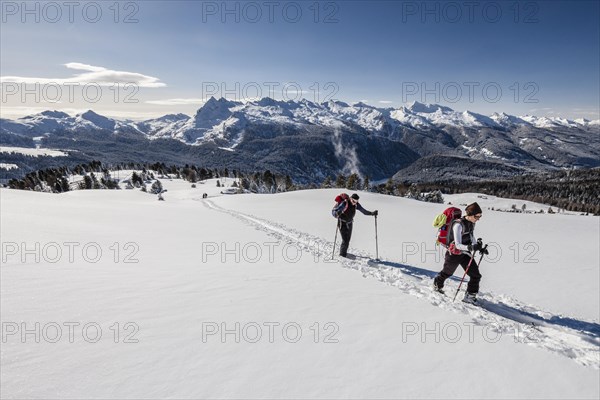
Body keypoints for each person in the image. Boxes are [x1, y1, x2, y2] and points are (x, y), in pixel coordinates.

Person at [433, 202, 488, 303]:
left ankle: (470, 297)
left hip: (465, 253)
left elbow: (471, 236)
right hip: (454, 254)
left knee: (476, 275)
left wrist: (479, 248)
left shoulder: (471, 223)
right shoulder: (458, 225)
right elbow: (457, 245)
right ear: (470, 214)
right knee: (447, 273)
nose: (478, 219)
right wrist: (471, 247)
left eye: (480, 216)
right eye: (477, 216)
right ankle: (437, 283)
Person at [332, 193, 378, 258]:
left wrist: (372, 213)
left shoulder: (356, 205)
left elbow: (363, 211)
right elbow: (334, 212)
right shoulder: (345, 203)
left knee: (348, 240)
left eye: (356, 201)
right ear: (350, 198)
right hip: (342, 223)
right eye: (354, 201)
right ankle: (342, 255)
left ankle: (344, 252)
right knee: (345, 240)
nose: (355, 203)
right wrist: (337, 213)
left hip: (350, 223)